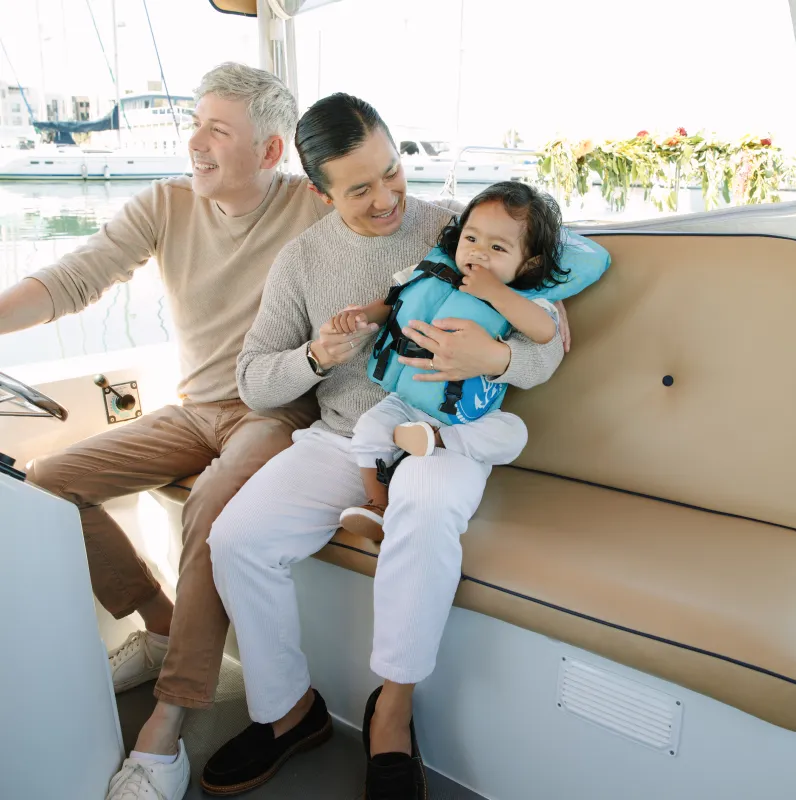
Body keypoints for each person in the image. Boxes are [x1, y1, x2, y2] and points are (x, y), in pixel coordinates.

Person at [201, 94, 580, 800]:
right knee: (237, 539)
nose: (387, 200)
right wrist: (315, 356)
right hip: (348, 435)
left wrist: (492, 361)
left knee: (427, 510)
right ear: (321, 192)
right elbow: (253, 381)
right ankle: (289, 712)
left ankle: (393, 711)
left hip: (446, 438)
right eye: (360, 189)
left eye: (393, 172)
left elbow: (546, 346)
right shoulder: (303, 260)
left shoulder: (460, 232)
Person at [0, 63, 333, 800]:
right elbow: (73, 279)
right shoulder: (166, 203)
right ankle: (158, 624)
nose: (196, 144)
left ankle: (172, 718)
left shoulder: (313, 208)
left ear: (272, 151)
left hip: (275, 412)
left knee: (214, 501)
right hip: (195, 408)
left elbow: (410, 220)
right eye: (195, 123)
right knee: (50, 483)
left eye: (218, 129)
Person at [333, 181, 577, 540]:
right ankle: (377, 504)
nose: (478, 253)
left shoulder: (525, 300)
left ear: (529, 262)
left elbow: (544, 332)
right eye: (472, 239)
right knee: (367, 430)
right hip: (406, 401)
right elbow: (393, 300)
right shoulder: (434, 270)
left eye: (497, 247)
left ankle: (436, 439)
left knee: (512, 435)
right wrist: (358, 316)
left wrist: (495, 292)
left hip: (469, 417)